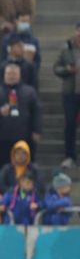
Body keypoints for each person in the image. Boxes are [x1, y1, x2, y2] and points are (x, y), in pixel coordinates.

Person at [0, 63, 41, 181]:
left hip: (23, 137)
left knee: (27, 167)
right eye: (9, 74)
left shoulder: (29, 91)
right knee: (0, 167)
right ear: (4, 75)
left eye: (14, 74)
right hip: (2, 138)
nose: (11, 76)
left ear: (19, 75)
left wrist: (37, 130)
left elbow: (36, 112)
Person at [52, 22, 80, 167]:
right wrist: (68, 69)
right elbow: (56, 68)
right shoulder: (66, 48)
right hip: (70, 93)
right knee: (69, 123)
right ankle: (69, 155)